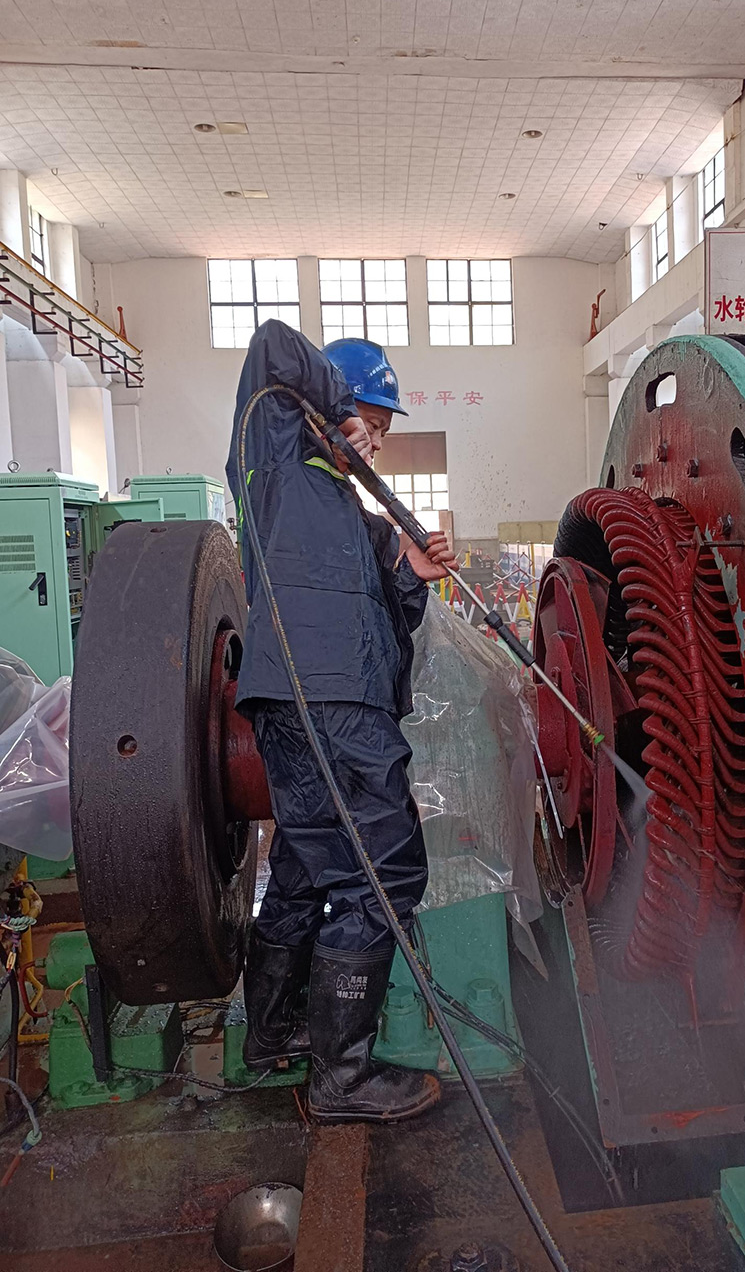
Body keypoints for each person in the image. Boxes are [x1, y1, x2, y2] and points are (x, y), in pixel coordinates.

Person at [226, 322, 458, 1124]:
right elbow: (271, 345)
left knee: (305, 861)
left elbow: (387, 629)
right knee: (383, 872)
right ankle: (343, 1076)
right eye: (372, 422)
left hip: (319, 701)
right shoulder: (275, 459)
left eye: (383, 430)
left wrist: (412, 570)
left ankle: (272, 1031)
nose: (376, 442)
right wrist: (335, 409)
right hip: (329, 704)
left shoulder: (356, 518)